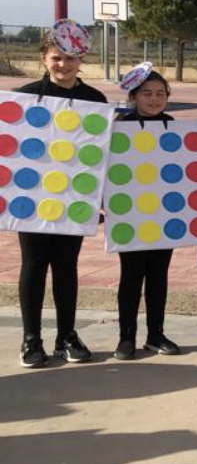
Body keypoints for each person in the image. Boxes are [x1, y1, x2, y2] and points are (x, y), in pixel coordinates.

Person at [15, 20, 107, 368]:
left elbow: (103, 155)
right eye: (56, 57)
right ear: (43, 58)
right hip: (32, 198)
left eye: (70, 58)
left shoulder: (94, 100)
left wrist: (100, 196)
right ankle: (31, 339)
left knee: (66, 266)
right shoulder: (24, 97)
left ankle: (66, 335)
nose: (63, 64)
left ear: (81, 60)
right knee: (33, 265)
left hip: (75, 199)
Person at [113, 63, 182, 359]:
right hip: (130, 214)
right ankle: (126, 337)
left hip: (164, 214)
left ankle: (156, 334)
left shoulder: (174, 126)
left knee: (158, 275)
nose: (154, 99)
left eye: (160, 94)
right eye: (147, 93)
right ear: (133, 97)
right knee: (131, 275)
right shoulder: (119, 127)